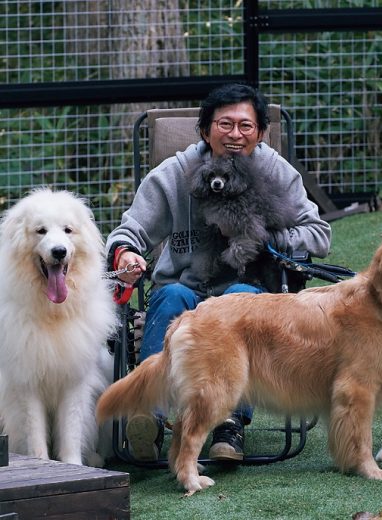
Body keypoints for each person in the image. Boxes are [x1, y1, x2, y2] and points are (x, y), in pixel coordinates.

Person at [107, 83, 331, 462]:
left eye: (246, 126)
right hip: (183, 289)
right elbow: (128, 232)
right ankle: (149, 416)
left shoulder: (277, 173)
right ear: (205, 129)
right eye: (225, 124)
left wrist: (265, 235)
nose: (235, 134)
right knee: (170, 296)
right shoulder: (173, 173)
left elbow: (318, 234)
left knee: (242, 301)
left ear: (261, 133)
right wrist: (127, 254)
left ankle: (229, 423)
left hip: (247, 294)